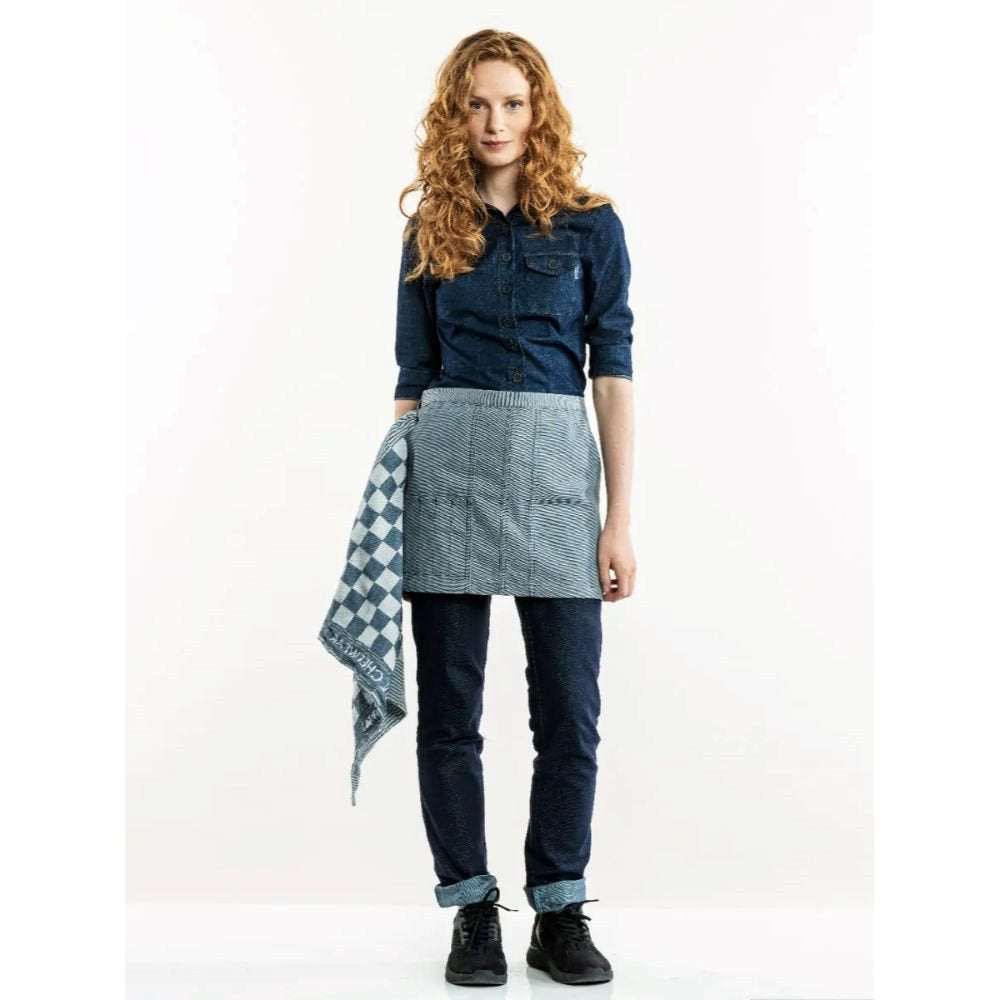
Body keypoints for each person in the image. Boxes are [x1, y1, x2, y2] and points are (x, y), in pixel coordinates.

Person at [392, 30, 636, 987]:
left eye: (513, 103)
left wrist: (619, 518)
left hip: (557, 483)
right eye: (477, 104)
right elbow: (412, 377)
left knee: (569, 712)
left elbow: (611, 373)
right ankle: (471, 910)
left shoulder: (590, 226)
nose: (495, 122)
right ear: (454, 115)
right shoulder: (430, 226)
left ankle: (559, 909)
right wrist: (392, 504)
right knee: (450, 714)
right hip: (447, 476)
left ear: (540, 112)